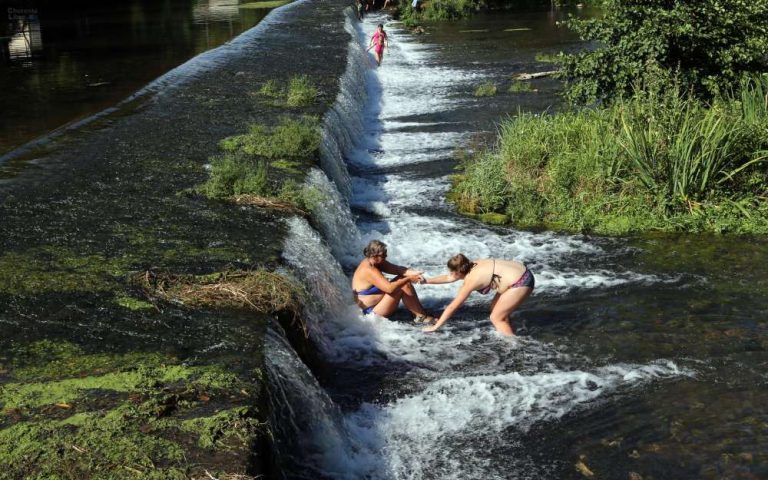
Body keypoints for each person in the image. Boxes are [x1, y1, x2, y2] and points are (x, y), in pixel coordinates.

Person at [421, 254, 535, 336]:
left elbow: (453, 306)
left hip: (520, 282)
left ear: (458, 272)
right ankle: (508, 327)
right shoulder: (471, 264)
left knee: (496, 318)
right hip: (522, 272)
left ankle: (513, 345)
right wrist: (427, 281)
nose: (450, 274)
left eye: (452, 272)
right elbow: (448, 278)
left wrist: (436, 327)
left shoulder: (471, 281)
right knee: (495, 309)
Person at [352, 240, 435, 322]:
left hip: (378, 305)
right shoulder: (369, 270)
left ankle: (419, 313)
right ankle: (421, 317)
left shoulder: (375, 262)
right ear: (374, 256)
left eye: (385, 253)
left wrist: (415, 273)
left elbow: (397, 269)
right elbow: (389, 289)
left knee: (402, 280)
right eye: (383, 255)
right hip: (372, 313)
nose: (386, 256)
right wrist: (409, 278)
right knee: (404, 284)